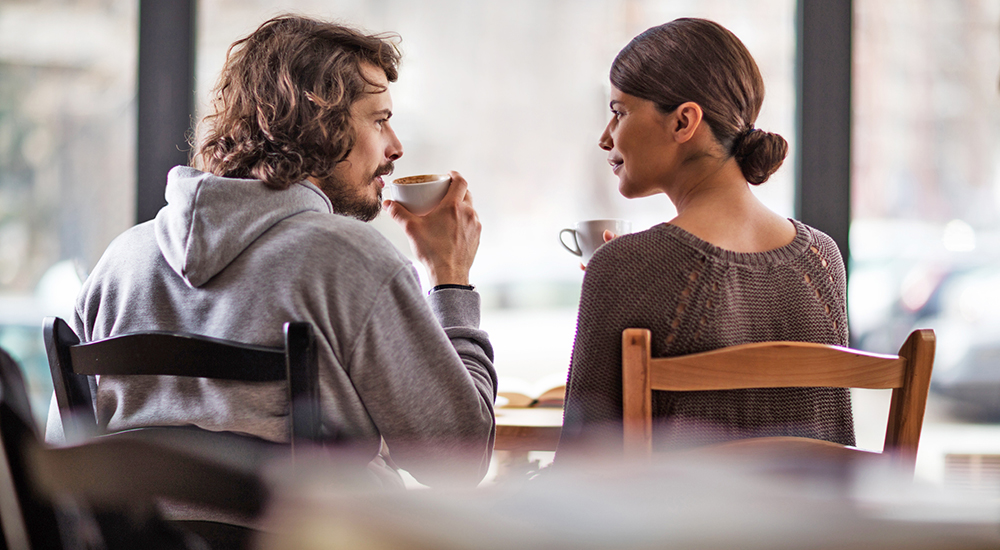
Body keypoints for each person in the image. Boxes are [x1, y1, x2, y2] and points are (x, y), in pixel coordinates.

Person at [45, 15, 497, 489]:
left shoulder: (119, 264)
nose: (396, 147)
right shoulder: (351, 261)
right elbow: (456, 461)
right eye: (380, 121)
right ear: (322, 119)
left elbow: (63, 460)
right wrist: (449, 276)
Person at [555, 18, 854, 462]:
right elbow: (835, 443)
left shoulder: (624, 266)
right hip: (817, 531)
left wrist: (619, 278)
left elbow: (582, 468)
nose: (605, 137)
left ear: (683, 121)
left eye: (618, 112)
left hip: (686, 532)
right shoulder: (821, 258)